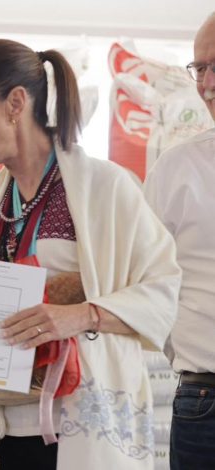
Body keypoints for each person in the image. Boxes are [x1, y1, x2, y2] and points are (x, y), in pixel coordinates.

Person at [0, 39, 181, 469]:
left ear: (15, 103)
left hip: (81, 419)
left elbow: (164, 289)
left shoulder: (106, 187)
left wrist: (83, 314)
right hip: (3, 424)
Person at [143, 12, 215, 470]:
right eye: (200, 67)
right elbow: (144, 280)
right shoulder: (178, 168)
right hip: (206, 400)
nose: (206, 82)